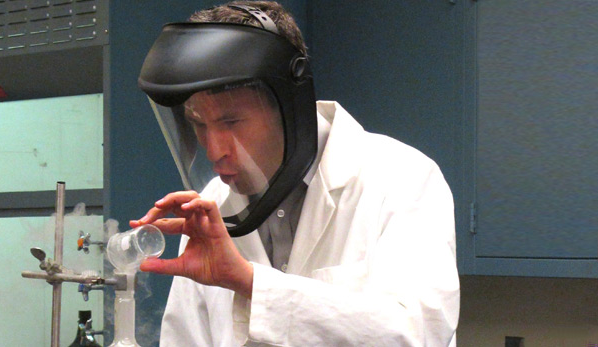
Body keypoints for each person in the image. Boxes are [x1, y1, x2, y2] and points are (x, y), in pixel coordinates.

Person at [132, 1, 460, 346]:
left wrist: (251, 283)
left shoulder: (401, 179)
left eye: (231, 122)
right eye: (198, 124)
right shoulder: (212, 204)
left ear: (290, 106)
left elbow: (419, 334)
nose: (214, 151)